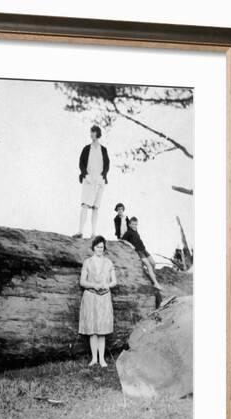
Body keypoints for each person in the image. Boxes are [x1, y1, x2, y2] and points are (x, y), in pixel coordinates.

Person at [78, 236, 117, 367]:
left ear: (104, 248)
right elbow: (82, 282)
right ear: (93, 248)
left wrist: (108, 285)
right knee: (93, 329)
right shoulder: (87, 262)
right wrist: (93, 285)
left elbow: (114, 281)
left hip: (104, 296)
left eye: (102, 247)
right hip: (91, 296)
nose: (100, 249)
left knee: (102, 329)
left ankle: (102, 359)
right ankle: (94, 358)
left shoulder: (109, 263)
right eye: (97, 247)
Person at [73, 125, 110, 239]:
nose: (92, 134)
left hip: (99, 182)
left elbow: (107, 165)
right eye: (91, 132)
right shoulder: (86, 148)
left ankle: (93, 233)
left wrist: (103, 176)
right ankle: (79, 231)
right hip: (88, 181)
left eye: (93, 132)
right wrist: (85, 175)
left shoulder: (103, 149)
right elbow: (81, 164)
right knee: (85, 205)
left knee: (96, 207)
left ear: (97, 134)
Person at [122, 217, 162, 290]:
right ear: (129, 224)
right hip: (139, 251)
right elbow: (122, 240)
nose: (134, 226)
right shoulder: (128, 232)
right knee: (149, 265)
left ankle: (151, 274)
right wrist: (130, 245)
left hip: (144, 249)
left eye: (136, 224)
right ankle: (155, 283)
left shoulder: (136, 230)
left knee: (153, 263)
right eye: (133, 224)